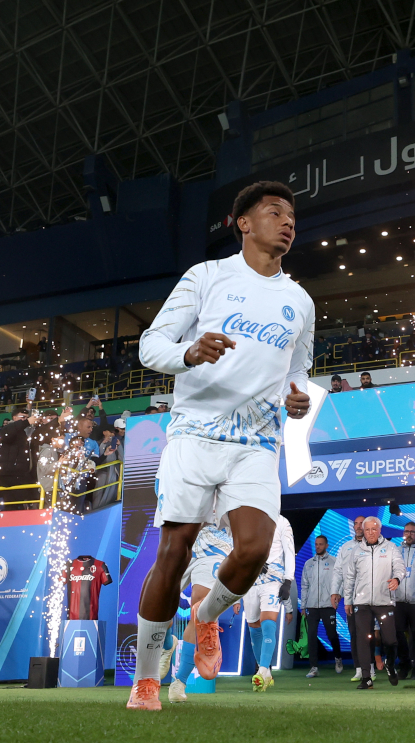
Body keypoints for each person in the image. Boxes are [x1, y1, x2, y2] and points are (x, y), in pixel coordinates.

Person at [126, 180, 313, 711]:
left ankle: (204, 618)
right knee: (173, 550)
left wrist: (297, 400)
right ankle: (145, 682)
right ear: (243, 224)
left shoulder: (300, 301)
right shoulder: (206, 276)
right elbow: (150, 345)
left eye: (292, 216)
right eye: (274, 211)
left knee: (253, 550)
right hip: (195, 430)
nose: (288, 221)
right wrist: (189, 353)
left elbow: (298, 371)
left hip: (258, 438)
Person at [168, 516, 241, 703]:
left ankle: (180, 682)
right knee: (161, 608)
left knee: (199, 609)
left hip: (214, 540)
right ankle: (168, 644)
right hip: (181, 538)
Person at [339, 516, 404, 689]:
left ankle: (390, 664)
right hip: (362, 602)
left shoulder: (391, 548)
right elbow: (350, 577)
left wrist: (397, 578)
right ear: (363, 531)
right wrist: (348, 600)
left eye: (374, 529)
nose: (370, 532)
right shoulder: (356, 551)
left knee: (390, 640)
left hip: (385, 601)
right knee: (362, 639)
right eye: (367, 529)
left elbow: (400, 567)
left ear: (380, 530)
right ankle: (366, 677)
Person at [244, 514, 295, 691]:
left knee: (268, 623)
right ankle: (266, 675)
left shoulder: (282, 521)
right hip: (250, 580)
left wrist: (288, 580)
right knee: (253, 626)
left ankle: (262, 669)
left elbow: (289, 550)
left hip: (273, 578)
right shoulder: (246, 518)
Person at [300, 534, 344, 677]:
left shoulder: (334, 562)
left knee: (331, 634)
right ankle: (313, 667)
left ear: (326, 546)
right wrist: (303, 606)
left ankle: (338, 658)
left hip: (328, 605)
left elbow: (341, 581)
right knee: (311, 635)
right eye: (316, 544)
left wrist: (338, 596)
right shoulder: (308, 563)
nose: (317, 546)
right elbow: (305, 585)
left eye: (320, 544)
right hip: (312, 605)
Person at [331, 517, 367, 680]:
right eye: (356, 524)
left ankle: (372, 666)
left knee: (372, 635)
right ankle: (359, 668)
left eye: (362, 524)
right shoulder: (345, 547)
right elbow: (338, 571)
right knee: (354, 633)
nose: (358, 527)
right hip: (351, 598)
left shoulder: (376, 545)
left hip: (372, 598)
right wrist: (335, 592)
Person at [394, 521, 415, 681]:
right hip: (399, 601)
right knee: (398, 634)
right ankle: (404, 665)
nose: (409, 534)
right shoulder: (396, 551)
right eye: (406, 531)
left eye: (412, 532)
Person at [0, 409, 42, 509]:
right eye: (22, 417)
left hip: (25, 475)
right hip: (10, 476)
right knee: (12, 506)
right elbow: (8, 433)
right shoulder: (7, 429)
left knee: (31, 502)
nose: (25, 419)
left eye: (27, 417)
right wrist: (27, 422)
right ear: (14, 418)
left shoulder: (26, 432)